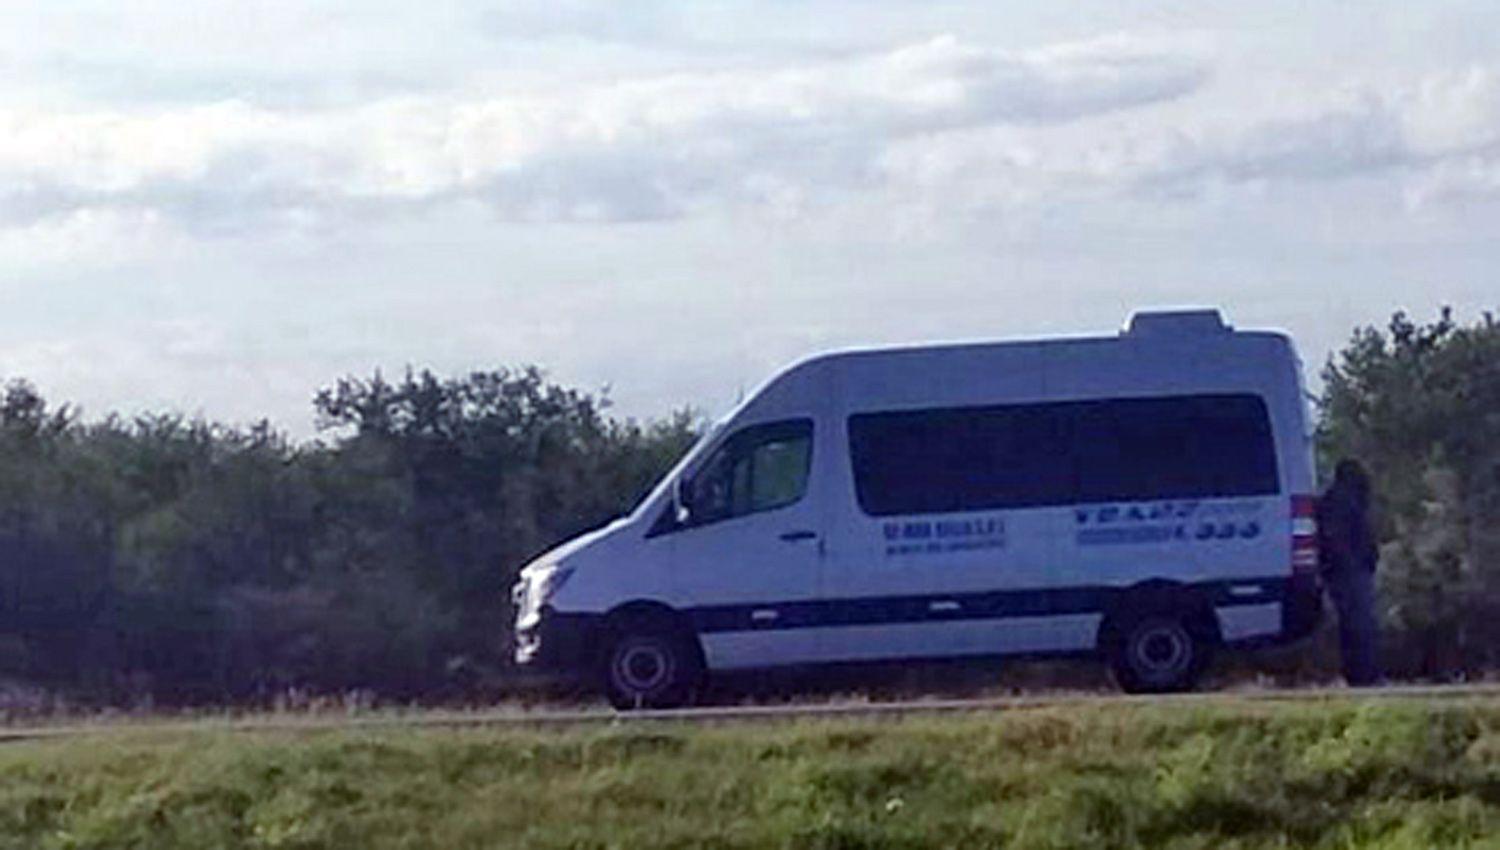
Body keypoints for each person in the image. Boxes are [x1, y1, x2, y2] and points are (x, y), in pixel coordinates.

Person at [1317, 459, 1381, 686]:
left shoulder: (1338, 501)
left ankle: (1360, 673)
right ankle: (1363, 675)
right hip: (1348, 572)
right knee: (1359, 626)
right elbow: (1338, 540)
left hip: (1349, 571)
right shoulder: (1341, 503)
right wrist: (1353, 562)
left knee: (1355, 626)